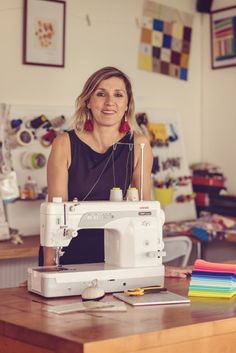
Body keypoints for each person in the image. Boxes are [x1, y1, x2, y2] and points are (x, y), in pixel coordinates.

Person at [39, 66, 191, 278]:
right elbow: (54, 217)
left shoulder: (140, 146)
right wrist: (47, 272)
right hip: (67, 256)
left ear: (127, 103)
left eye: (118, 95)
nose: (110, 102)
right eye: (101, 94)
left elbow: (144, 217)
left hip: (121, 257)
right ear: (88, 101)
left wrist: (153, 266)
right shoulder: (64, 144)